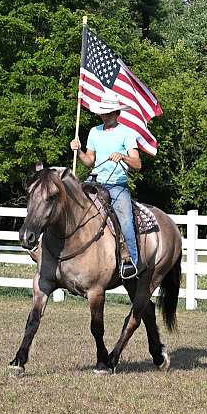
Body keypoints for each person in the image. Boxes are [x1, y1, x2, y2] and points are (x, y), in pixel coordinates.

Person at [70, 94, 142, 279]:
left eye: (108, 113)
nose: (104, 116)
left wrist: (123, 156)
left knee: (125, 220)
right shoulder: (95, 132)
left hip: (117, 185)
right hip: (95, 182)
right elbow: (89, 161)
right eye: (102, 113)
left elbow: (137, 164)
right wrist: (78, 152)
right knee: (71, 208)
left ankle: (131, 261)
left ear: (117, 113)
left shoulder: (127, 132)